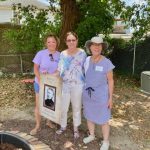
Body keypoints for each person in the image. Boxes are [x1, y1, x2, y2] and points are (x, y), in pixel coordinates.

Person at [82, 36, 115, 150]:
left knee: (103, 119)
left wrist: (110, 98)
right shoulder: (86, 60)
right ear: (90, 47)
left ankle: (106, 142)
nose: (96, 47)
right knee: (89, 116)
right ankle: (91, 135)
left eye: (99, 45)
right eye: (94, 45)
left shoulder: (106, 62)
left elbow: (110, 80)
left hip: (102, 97)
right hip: (88, 95)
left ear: (102, 47)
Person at [55, 31, 87, 138]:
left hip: (78, 85)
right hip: (65, 85)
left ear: (77, 41)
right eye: (69, 40)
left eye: (73, 40)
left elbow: (86, 69)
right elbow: (59, 69)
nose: (71, 42)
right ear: (66, 42)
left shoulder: (82, 53)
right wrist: (47, 77)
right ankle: (63, 126)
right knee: (63, 107)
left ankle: (76, 129)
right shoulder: (63, 54)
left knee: (76, 107)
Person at [30, 33, 60, 135]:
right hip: (40, 83)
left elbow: (60, 70)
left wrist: (54, 76)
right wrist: (42, 80)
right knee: (38, 106)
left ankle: (48, 121)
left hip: (52, 86)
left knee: (50, 105)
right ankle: (37, 126)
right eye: (49, 42)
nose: (51, 43)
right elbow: (35, 69)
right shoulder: (40, 54)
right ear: (46, 43)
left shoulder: (59, 55)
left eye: (53, 41)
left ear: (57, 43)